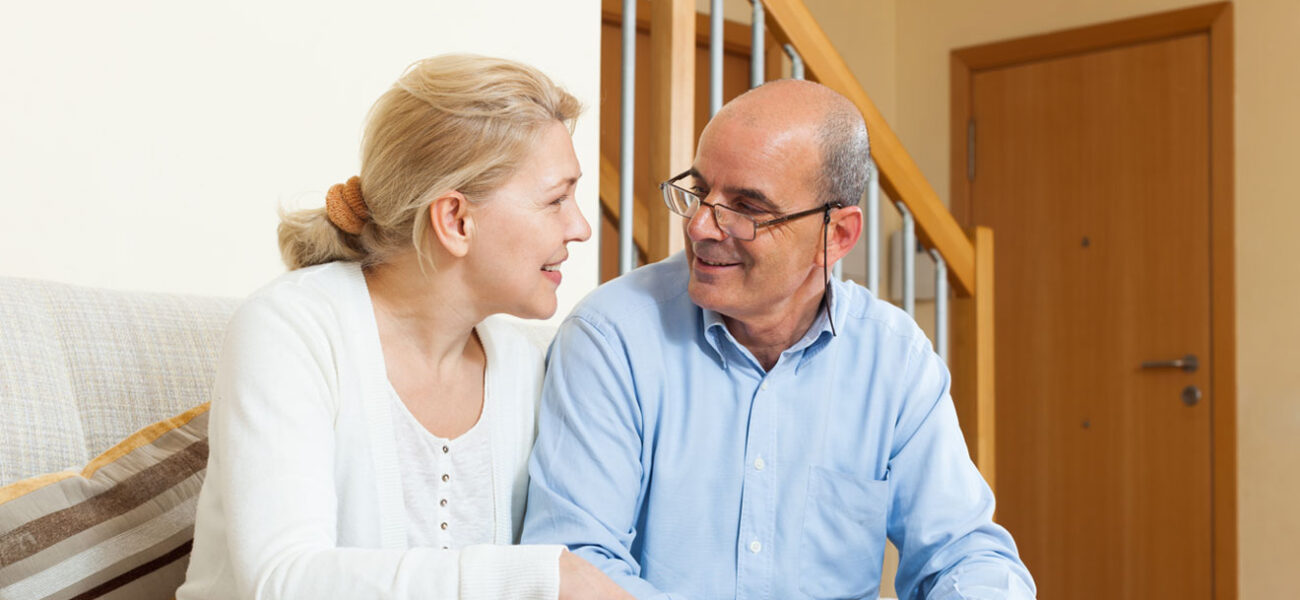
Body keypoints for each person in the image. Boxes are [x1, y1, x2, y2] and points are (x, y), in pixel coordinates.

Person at [521, 79, 1036, 599]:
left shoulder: (893, 359)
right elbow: (576, 561)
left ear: (837, 236)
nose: (701, 225)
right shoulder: (613, 338)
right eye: (699, 190)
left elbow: (965, 554)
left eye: (747, 207)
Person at [178, 54, 631, 600]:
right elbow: (282, 581)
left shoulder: (524, 362)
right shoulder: (291, 330)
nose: (581, 227)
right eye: (557, 199)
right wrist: (538, 578)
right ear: (455, 220)